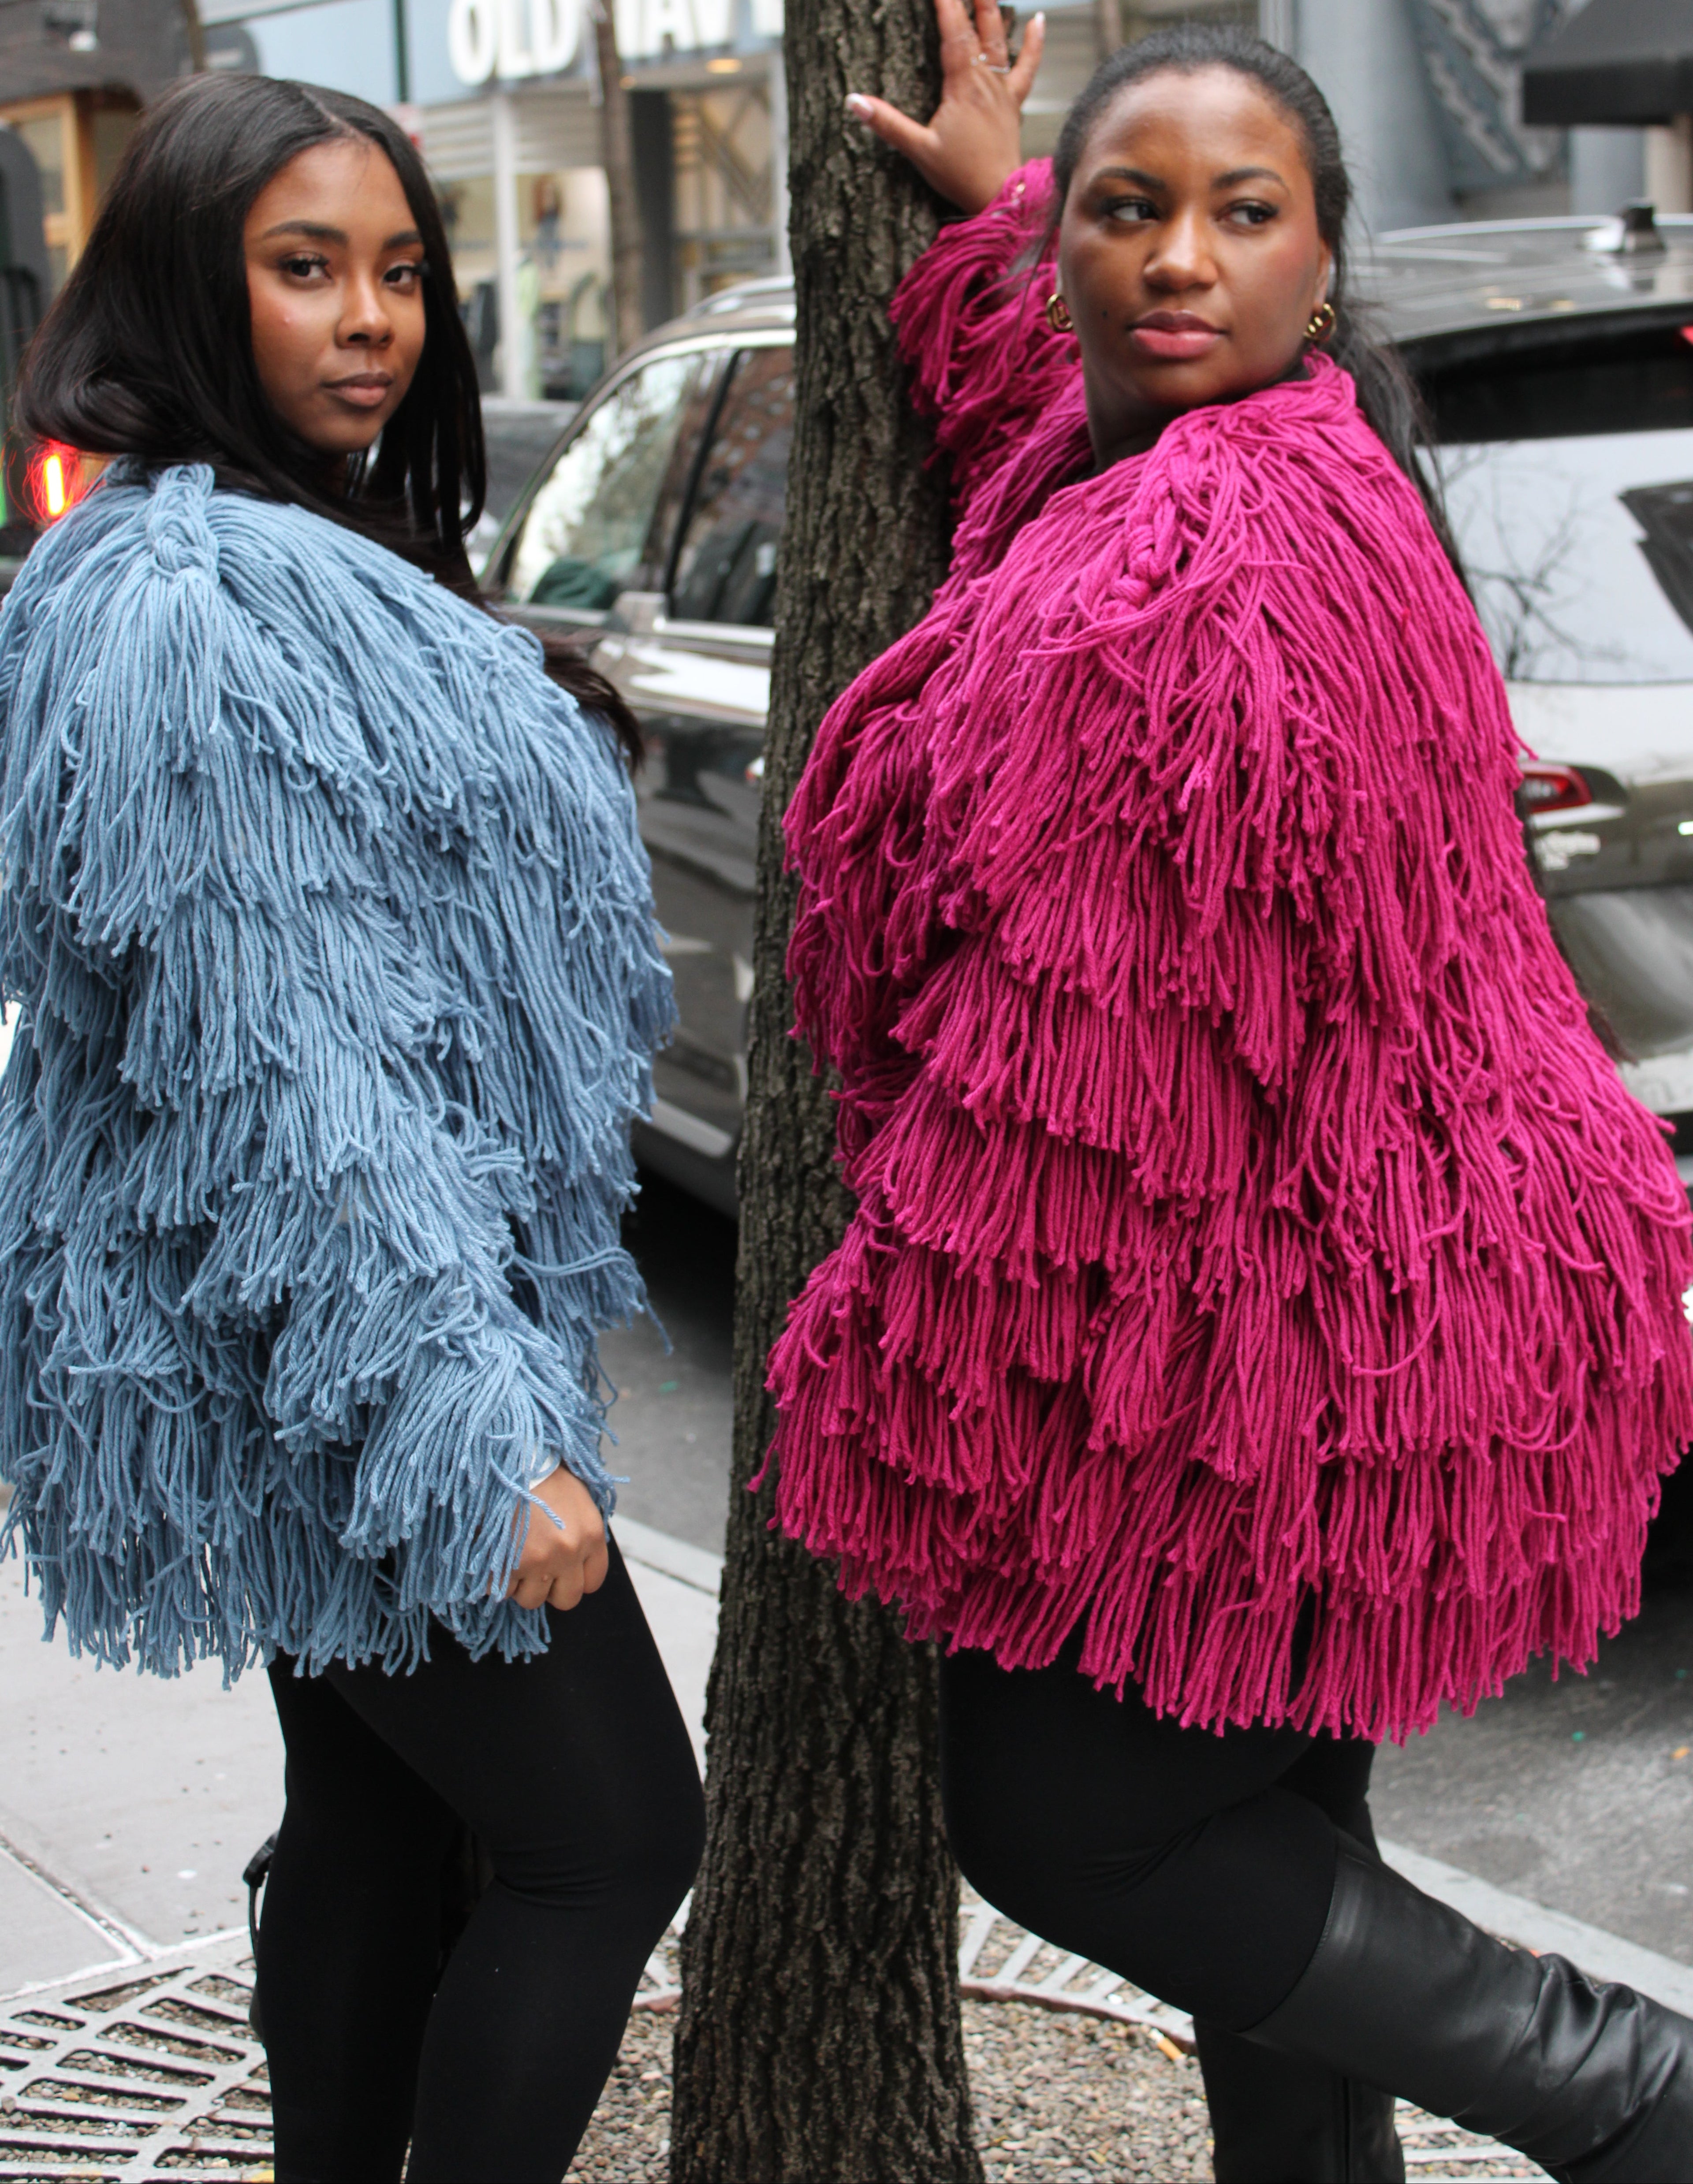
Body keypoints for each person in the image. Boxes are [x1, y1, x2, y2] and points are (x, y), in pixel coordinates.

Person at [768, 17, 1693, 2181]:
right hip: (1391, 1296)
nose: (1180, 259)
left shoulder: (1213, 576)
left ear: (1323, 264)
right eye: (1132, 211)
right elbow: (1063, 419)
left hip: (1278, 1340)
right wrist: (1006, 209)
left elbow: (1080, 1089)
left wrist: (898, 1352)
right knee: (1274, 1831)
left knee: (1069, 1824)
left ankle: (1631, 2091)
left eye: (1240, 214)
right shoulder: (1259, 460)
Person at [0, 74, 703, 2184]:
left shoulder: (293, 539)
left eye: (401, 270)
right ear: (185, 286)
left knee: (387, 1809)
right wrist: (468, 1428)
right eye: (305, 269)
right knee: (612, 1836)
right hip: (337, 1341)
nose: (373, 317)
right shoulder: (186, 604)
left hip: (320, 1318)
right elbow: (282, 1065)